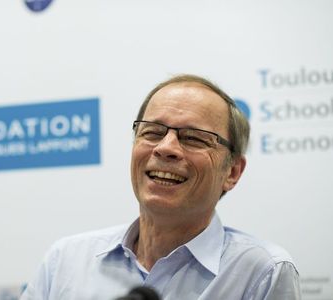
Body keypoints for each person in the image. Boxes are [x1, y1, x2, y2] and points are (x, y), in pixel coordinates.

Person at [20, 74, 301, 300]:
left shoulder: (263, 273)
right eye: (152, 133)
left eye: (194, 138)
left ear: (232, 172)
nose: (166, 148)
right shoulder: (66, 261)